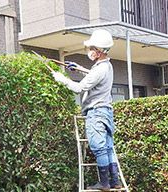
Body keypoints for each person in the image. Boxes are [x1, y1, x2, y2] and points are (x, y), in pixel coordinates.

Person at [51, 29, 121, 191]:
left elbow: (79, 88)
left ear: (98, 51)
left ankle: (104, 184)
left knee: (99, 148)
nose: (89, 51)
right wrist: (79, 68)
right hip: (106, 112)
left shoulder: (99, 70)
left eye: (92, 48)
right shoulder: (107, 66)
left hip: (96, 113)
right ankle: (114, 181)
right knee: (108, 147)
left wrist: (61, 79)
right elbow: (94, 75)